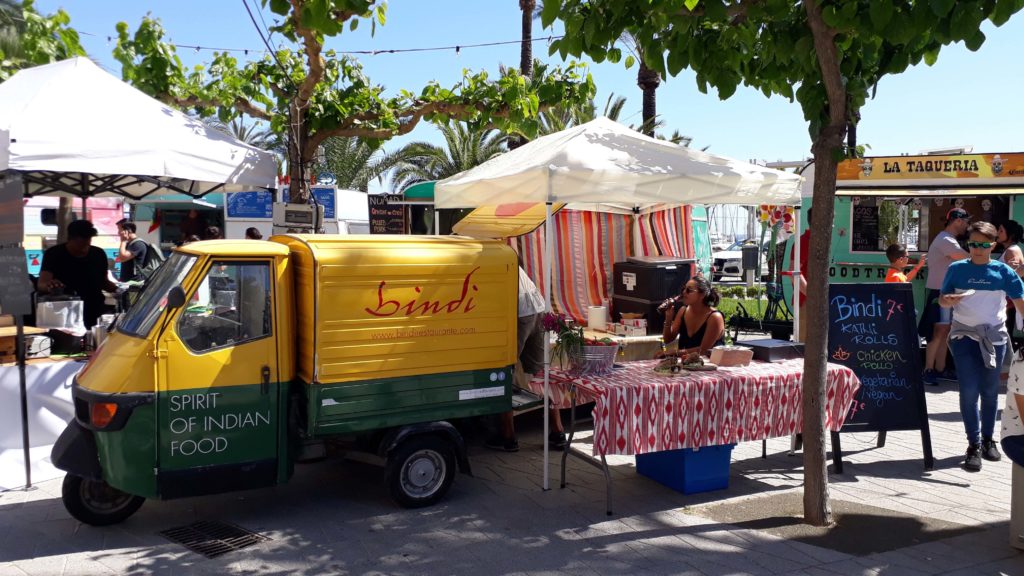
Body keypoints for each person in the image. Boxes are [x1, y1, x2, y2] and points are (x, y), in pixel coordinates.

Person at [939, 221, 1024, 472]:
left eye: (983, 245)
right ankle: (973, 444)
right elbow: (942, 301)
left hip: (994, 339)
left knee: (989, 392)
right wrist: (948, 300)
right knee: (968, 391)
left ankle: (989, 440)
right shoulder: (956, 269)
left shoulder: (1003, 272)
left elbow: (1020, 303)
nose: (977, 249)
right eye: (973, 244)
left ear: (993, 245)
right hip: (963, 337)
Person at [486, 264, 566, 452]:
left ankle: (508, 437)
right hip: (537, 307)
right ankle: (558, 432)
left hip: (518, 311)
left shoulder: (484, 255)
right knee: (542, 371)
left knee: (504, 371)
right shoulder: (500, 251)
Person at [921, 208, 971, 385]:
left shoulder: (948, 239)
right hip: (939, 292)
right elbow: (967, 258)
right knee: (939, 332)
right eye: (965, 221)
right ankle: (928, 369)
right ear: (957, 221)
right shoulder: (946, 240)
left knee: (945, 331)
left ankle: (940, 369)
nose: (967, 225)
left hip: (946, 292)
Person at [37, 220, 118, 329]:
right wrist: (50, 286)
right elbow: (42, 283)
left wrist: (119, 290)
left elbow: (104, 282)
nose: (86, 246)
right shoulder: (54, 254)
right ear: (70, 238)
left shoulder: (98, 254)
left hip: (94, 310)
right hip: (63, 313)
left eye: (88, 241)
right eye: (81, 243)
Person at [657, 276, 725, 359]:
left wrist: (674, 353)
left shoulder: (715, 317)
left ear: (702, 294)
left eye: (689, 290)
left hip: (710, 367)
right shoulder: (683, 311)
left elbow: (703, 350)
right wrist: (668, 318)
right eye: (683, 289)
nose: (684, 293)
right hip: (687, 364)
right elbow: (667, 340)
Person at [790, 207, 811, 342]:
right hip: (805, 302)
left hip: (812, 301)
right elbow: (793, 271)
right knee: (805, 344)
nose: (832, 225)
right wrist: (811, 294)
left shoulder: (816, 241)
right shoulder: (804, 241)